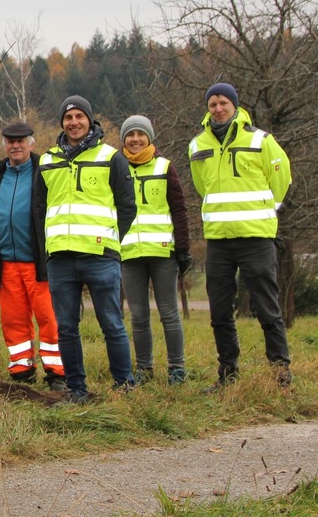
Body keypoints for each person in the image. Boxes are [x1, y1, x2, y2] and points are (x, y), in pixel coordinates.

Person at [188, 83, 293, 389]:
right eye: (212, 104)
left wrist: (268, 209)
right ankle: (228, 374)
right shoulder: (197, 145)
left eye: (223, 103)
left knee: (266, 306)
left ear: (235, 105)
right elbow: (201, 186)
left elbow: (281, 176)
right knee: (219, 310)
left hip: (256, 238)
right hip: (219, 240)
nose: (218, 108)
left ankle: (280, 372)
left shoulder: (261, 140)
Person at [36, 96, 136, 403]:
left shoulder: (111, 157)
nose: (74, 122)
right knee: (65, 327)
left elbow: (127, 206)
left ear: (90, 120)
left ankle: (124, 385)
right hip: (61, 260)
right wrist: (48, 248)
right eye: (68, 118)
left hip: (100, 256)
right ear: (62, 123)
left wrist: (109, 238)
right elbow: (40, 209)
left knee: (111, 323)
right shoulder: (47, 160)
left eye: (80, 116)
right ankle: (76, 388)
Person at [0, 121, 66, 391]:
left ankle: (57, 373)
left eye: (20, 141)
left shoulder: (44, 171)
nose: (15, 146)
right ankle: (21, 371)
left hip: (38, 262)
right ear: (4, 144)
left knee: (49, 318)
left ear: (31, 143)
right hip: (6, 263)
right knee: (12, 320)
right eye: (10, 141)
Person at [118, 115, 191, 385]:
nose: (135, 139)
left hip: (162, 253)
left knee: (169, 314)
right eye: (130, 134)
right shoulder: (116, 167)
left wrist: (183, 248)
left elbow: (179, 209)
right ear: (124, 139)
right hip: (129, 254)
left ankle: (177, 369)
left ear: (149, 137)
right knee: (138, 316)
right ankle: (145, 369)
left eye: (140, 134)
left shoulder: (165, 167)